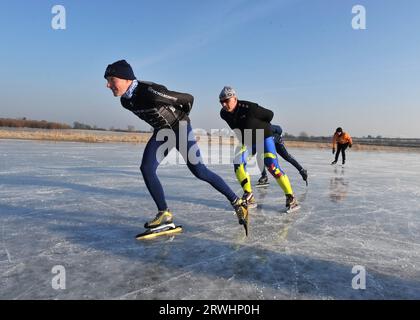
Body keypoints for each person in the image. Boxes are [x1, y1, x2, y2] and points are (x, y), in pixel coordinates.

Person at [104, 60, 248, 235]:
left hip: (179, 127)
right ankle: (164, 214)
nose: (108, 85)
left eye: (112, 79)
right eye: (107, 80)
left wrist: (183, 119)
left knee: (199, 171)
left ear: (127, 78)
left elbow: (188, 99)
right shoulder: (126, 102)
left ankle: (237, 202)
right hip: (162, 132)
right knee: (147, 168)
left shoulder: (149, 91)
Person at [218, 86, 300, 212]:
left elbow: (270, 115)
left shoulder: (250, 108)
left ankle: (291, 197)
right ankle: (249, 195)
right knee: (238, 163)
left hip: (264, 137)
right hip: (247, 140)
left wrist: (259, 126)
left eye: (227, 100)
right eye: (221, 101)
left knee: (272, 166)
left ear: (235, 98)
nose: (224, 104)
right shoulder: (223, 114)